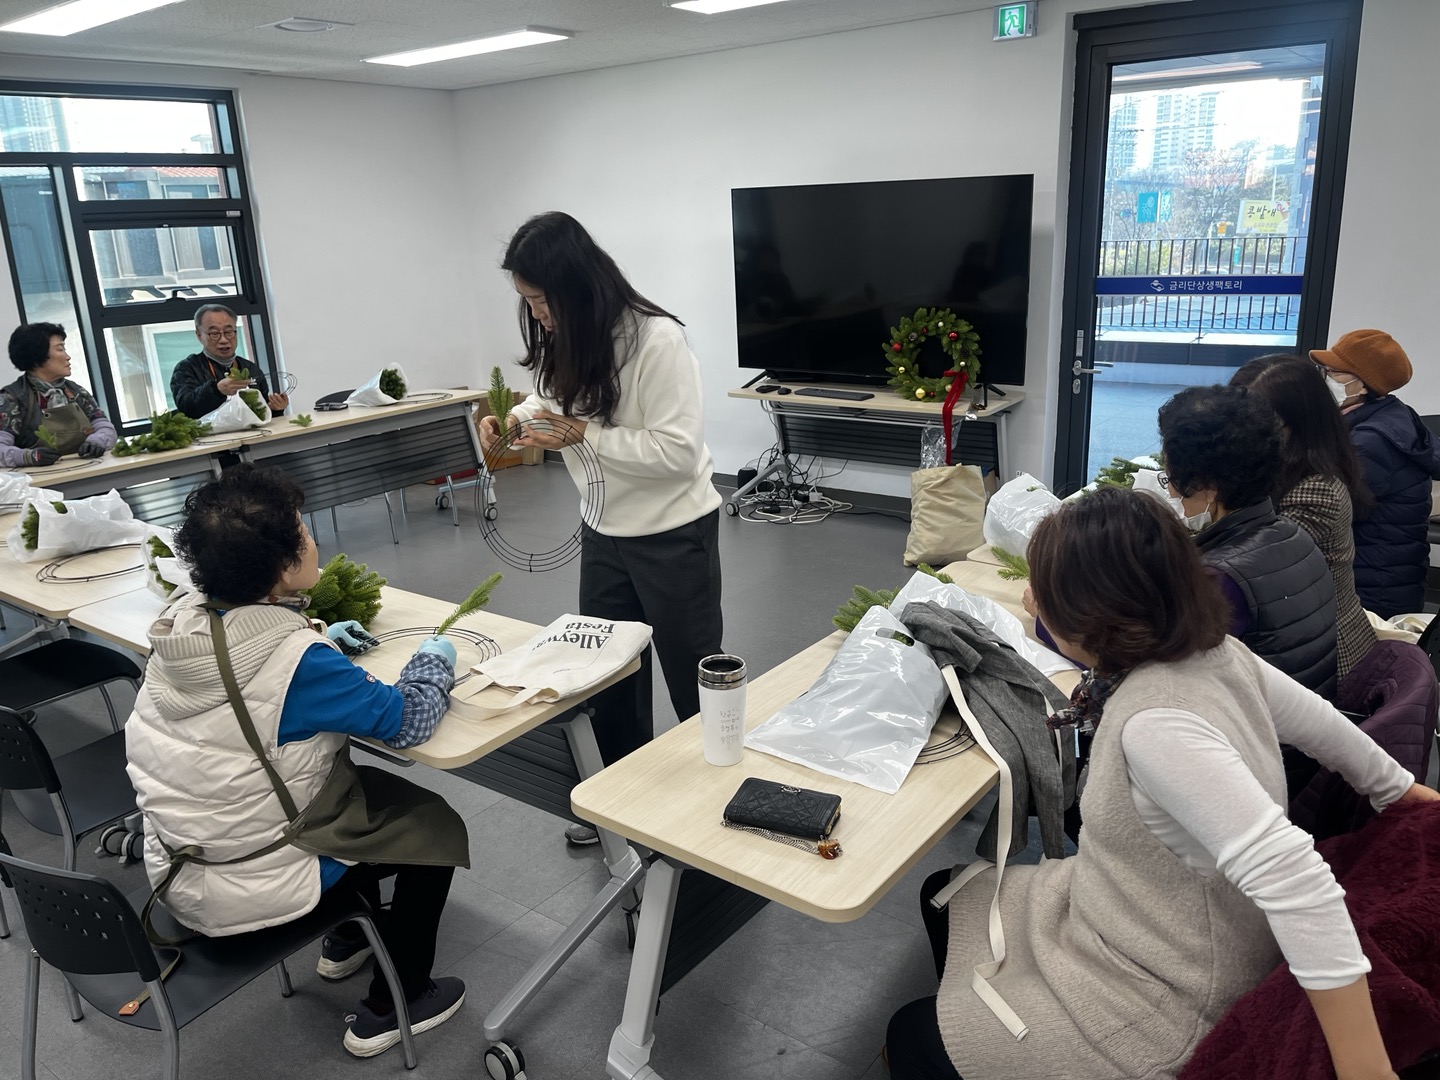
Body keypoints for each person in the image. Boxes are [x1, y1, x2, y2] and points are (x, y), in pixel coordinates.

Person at [886, 486, 1438, 1080]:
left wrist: (1363, 1066)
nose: (1033, 604)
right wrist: (1402, 790)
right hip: (1147, 909)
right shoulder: (1218, 653)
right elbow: (1325, 726)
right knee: (946, 891)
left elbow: (1297, 883)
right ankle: (986, 1002)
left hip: (1170, 984)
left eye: (1041, 598)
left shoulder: (1157, 726)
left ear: (1085, 618)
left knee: (912, 1032)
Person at [124, 464, 468, 1058]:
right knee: (431, 825)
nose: (312, 541)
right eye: (303, 533)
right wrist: (434, 658)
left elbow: (246, 673)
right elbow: (407, 721)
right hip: (256, 877)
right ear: (282, 566)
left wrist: (318, 634)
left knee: (321, 788)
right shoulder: (299, 661)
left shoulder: (179, 624)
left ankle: (344, 941)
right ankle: (398, 1001)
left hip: (181, 866)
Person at [478, 211, 724, 846]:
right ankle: (621, 802)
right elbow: (551, 404)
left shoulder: (657, 341)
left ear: (577, 284)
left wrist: (584, 433)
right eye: (526, 303)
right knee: (611, 670)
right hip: (603, 529)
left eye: (540, 300)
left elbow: (675, 451)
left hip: (673, 532)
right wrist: (511, 418)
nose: (537, 316)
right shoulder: (567, 333)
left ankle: (722, 810)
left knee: (692, 672)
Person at [1157, 384, 1338, 702]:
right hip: (1298, 730)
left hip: (1250, 741)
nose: (1171, 491)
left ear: (1207, 484)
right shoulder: (1294, 536)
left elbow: (1156, 673)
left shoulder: (1221, 578)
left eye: (1170, 475)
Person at [1230, 355, 1377, 679]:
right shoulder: (1284, 470)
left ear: (1298, 423)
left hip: (1323, 661)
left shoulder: (1316, 491)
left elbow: (1256, 571)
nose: (1243, 434)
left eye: (1258, 424)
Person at [1310, 328, 1440, 618]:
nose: (1325, 378)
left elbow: (1336, 512)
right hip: (1390, 578)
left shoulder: (1371, 441)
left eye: (1333, 372)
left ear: (1363, 385)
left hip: (1373, 588)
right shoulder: (1391, 414)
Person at [1, 322, 116, 467]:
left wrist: (98, 440)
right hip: (41, 483)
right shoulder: (12, 399)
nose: (68, 357)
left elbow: (104, 425)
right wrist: (28, 457)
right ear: (37, 355)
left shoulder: (76, 392)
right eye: (60, 349)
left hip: (88, 470)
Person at [169, 303, 288, 419]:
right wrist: (216, 390)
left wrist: (276, 409)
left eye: (228, 332)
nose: (224, 340)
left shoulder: (250, 368)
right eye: (214, 333)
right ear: (199, 335)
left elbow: (263, 413)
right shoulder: (187, 368)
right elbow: (187, 409)